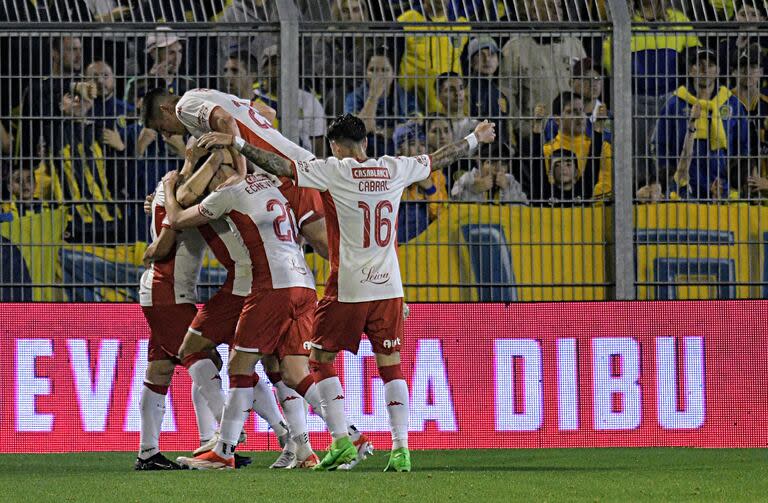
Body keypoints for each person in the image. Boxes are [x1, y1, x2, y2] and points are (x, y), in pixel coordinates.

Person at [203, 113, 496, 472]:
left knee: (320, 361)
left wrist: (238, 144)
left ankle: (341, 440)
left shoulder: (333, 170)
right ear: (366, 143)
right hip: (390, 288)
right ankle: (401, 449)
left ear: (335, 146)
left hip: (349, 287)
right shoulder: (395, 168)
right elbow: (441, 157)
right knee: (392, 366)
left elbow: (280, 164)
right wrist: (476, 138)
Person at [143, 86, 371, 468]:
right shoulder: (270, 187)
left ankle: (225, 447)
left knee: (224, 360)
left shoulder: (225, 185)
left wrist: (174, 179)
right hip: (300, 279)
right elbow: (257, 112)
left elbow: (178, 215)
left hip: (261, 284)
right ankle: (325, 441)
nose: (170, 134)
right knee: (287, 367)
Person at [134, 170, 207, 471]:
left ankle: (148, 452)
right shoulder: (180, 193)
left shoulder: (170, 192)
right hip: (168, 291)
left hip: (169, 291)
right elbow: (165, 244)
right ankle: (217, 441)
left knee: (160, 370)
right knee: (207, 359)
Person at [602, 0, 700, 188]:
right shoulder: (624, 21)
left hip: (670, 99)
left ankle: (672, 193)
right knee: (637, 158)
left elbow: (694, 56)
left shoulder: (678, 20)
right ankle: (640, 198)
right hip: (635, 99)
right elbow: (610, 62)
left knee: (669, 154)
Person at [651, 48, 749, 200]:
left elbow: (744, 146)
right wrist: (672, 180)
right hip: (685, 186)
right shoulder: (675, 103)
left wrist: (733, 181)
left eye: (710, 65)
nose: (705, 69)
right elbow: (660, 145)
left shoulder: (732, 103)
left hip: (722, 185)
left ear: (718, 71)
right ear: (690, 70)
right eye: (699, 64)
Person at [499, 0, 586, 144]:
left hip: (575, 136)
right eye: (550, 6)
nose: (557, 11)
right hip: (536, 137)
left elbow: (587, 87)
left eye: (558, 6)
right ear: (533, 12)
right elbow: (507, 96)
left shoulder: (574, 44)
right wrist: (525, 129)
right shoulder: (515, 49)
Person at [521, 94, 613, 202]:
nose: (580, 116)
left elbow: (607, 187)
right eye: (572, 111)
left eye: (581, 110)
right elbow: (540, 189)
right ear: (557, 120)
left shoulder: (604, 148)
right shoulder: (547, 151)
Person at [345, 46, 420, 156]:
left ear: (393, 74)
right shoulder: (354, 97)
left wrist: (392, 132)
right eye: (373, 70)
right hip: (365, 154)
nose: (379, 75)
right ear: (365, 74)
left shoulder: (405, 96)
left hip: (398, 153)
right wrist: (373, 96)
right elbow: (355, 131)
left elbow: (417, 121)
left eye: (384, 70)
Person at [397, 0, 470, 113]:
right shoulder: (406, 22)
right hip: (414, 106)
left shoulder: (462, 24)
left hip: (452, 107)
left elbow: (466, 65)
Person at [252, 45, 326, 154]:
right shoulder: (253, 99)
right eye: (266, 63)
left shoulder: (308, 100)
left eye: (275, 63)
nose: (269, 68)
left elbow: (319, 145)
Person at [391, 122, 449, 242]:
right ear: (398, 150)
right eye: (412, 144)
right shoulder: (391, 173)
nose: (419, 149)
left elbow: (442, 216)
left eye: (422, 144)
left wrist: (429, 188)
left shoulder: (435, 174)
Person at [730, 46, 768, 198]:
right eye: (742, 66)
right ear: (733, 72)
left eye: (753, 66)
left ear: (761, 72)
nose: (748, 72)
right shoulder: (722, 103)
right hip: (731, 178)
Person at [125, 28, 196, 106]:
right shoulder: (136, 83)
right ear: (154, 53)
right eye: (171, 52)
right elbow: (128, 113)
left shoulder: (189, 83)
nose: (177, 58)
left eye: (180, 51)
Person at [543, 58, 610, 141]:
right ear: (571, 82)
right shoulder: (558, 120)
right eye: (586, 78)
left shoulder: (610, 118)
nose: (593, 83)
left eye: (597, 78)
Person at [463, 37, 509, 146]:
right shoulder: (466, 93)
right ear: (471, 62)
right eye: (480, 55)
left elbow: (506, 128)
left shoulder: (500, 94)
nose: (487, 59)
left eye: (491, 54)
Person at [451, 143, 527, 203]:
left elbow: (524, 210)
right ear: (480, 163)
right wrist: (474, 190)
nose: (498, 169)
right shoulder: (466, 178)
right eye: (492, 162)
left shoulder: (510, 181)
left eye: (503, 164)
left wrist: (506, 190)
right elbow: (453, 207)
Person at [436, 72, 476, 140]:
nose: (457, 93)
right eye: (450, 90)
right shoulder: (433, 129)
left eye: (461, 88)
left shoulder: (477, 126)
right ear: (438, 95)